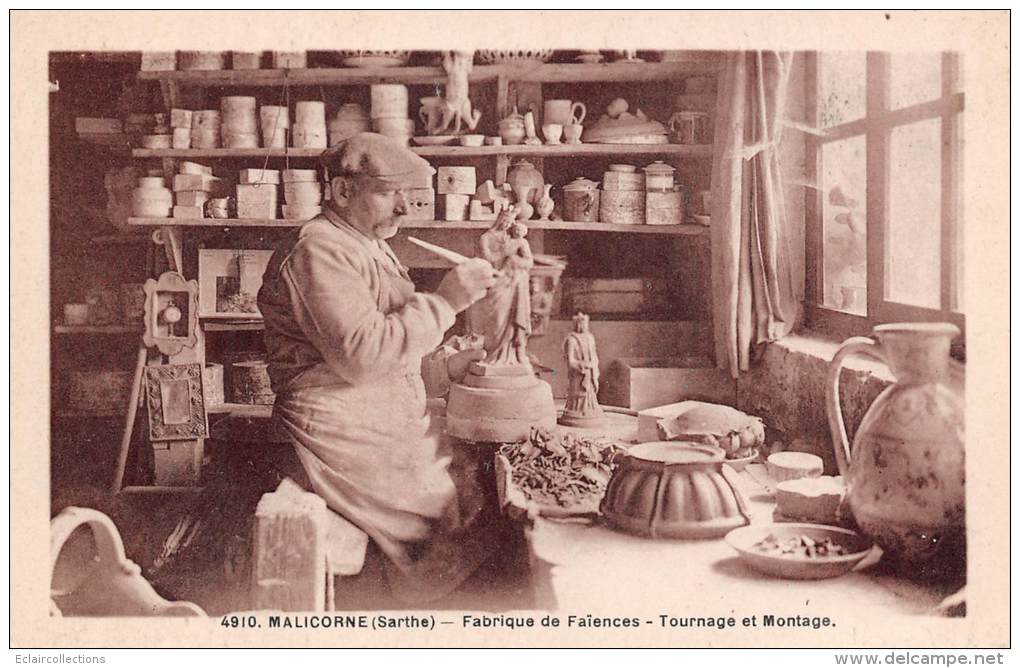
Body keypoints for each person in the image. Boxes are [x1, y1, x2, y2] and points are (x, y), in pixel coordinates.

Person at [257, 133, 500, 603]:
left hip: (367, 405)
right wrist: (447, 300)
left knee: (474, 481)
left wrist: (444, 369)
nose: (404, 208)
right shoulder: (319, 248)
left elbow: (389, 352)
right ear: (344, 192)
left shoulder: (366, 241)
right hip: (331, 418)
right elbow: (363, 357)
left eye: (408, 195)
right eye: (391, 193)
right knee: (442, 516)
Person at [465, 213, 534, 367]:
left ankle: (516, 353)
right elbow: (488, 258)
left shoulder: (516, 240)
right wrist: (506, 253)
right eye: (504, 221)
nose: (506, 225)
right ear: (499, 220)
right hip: (493, 282)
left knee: (514, 320)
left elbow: (529, 262)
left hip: (512, 283)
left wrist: (515, 260)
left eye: (509, 222)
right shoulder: (485, 238)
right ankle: (491, 354)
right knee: (496, 321)